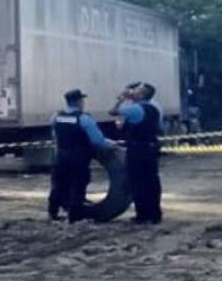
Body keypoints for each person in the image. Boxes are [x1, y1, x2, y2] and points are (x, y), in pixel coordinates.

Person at [48, 89, 113, 223]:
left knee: (58, 185)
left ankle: (52, 212)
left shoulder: (56, 116)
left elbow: (55, 134)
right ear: (79, 102)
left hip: (60, 156)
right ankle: (74, 216)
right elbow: (97, 141)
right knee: (77, 186)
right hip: (78, 159)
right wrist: (111, 146)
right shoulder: (84, 118)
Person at [110, 82, 162, 224]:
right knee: (152, 181)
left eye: (137, 91)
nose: (134, 92)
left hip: (137, 150)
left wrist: (121, 99)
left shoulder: (135, 109)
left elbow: (113, 112)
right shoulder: (156, 108)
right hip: (152, 149)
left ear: (142, 94)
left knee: (138, 182)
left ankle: (142, 215)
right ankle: (155, 214)